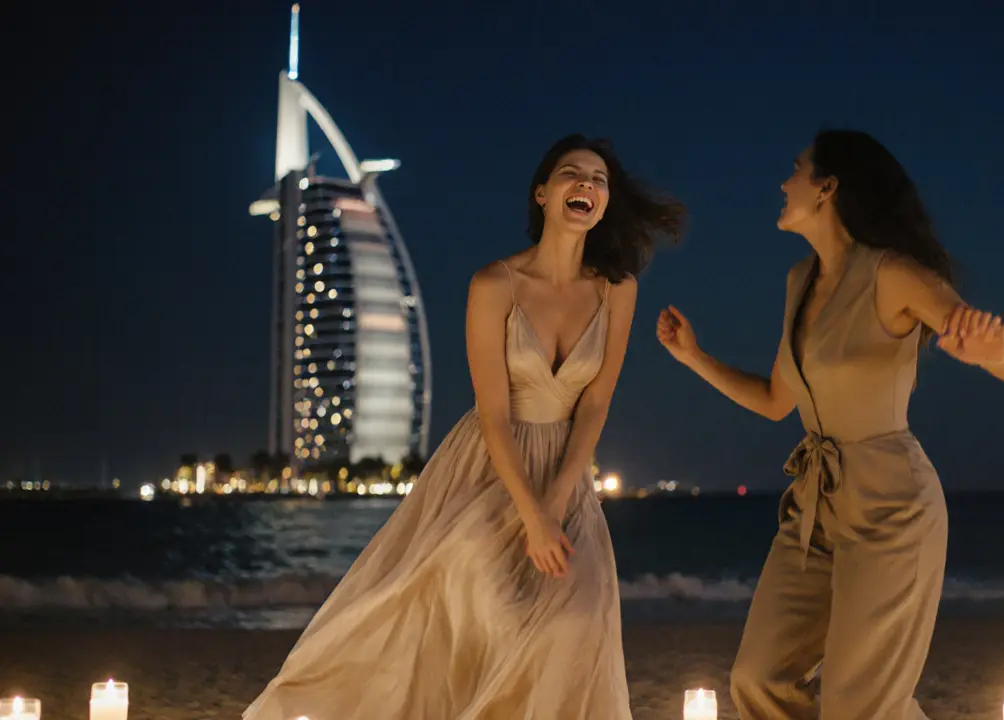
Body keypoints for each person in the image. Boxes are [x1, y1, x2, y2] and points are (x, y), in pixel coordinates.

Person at [245, 134, 685, 720]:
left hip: (567, 474)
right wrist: (531, 514)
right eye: (571, 174)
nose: (587, 185)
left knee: (576, 622)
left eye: (599, 179)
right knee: (482, 614)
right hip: (488, 468)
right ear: (542, 193)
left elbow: (596, 404)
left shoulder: (617, 288)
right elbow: (494, 413)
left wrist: (555, 505)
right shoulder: (494, 284)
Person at [656, 129, 1004, 719]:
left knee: (860, 704)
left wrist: (991, 352)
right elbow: (779, 400)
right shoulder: (798, 282)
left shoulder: (893, 274)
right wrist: (694, 358)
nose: (783, 183)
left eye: (796, 170)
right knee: (759, 678)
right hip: (815, 506)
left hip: (893, 508)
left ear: (827, 188)